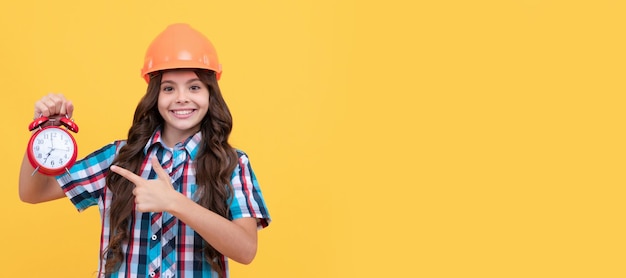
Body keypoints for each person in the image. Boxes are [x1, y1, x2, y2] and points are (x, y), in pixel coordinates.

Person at [18, 23, 271, 278]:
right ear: (155, 95)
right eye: (169, 88)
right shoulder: (118, 159)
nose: (181, 97)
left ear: (210, 94)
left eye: (194, 87)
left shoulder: (231, 164)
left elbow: (246, 250)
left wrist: (175, 203)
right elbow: (32, 192)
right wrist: (46, 131)